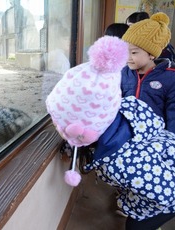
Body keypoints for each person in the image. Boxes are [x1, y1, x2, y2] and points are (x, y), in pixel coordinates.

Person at [46, 36, 175, 230]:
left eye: (61, 125)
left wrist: (132, 207)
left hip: (168, 195)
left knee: (136, 226)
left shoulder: (119, 164)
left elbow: (165, 194)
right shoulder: (129, 107)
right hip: (161, 160)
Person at [121, 12, 175, 133]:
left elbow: (173, 115)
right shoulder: (123, 74)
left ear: (151, 54)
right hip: (125, 136)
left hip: (156, 140)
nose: (128, 57)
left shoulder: (170, 77)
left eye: (134, 53)